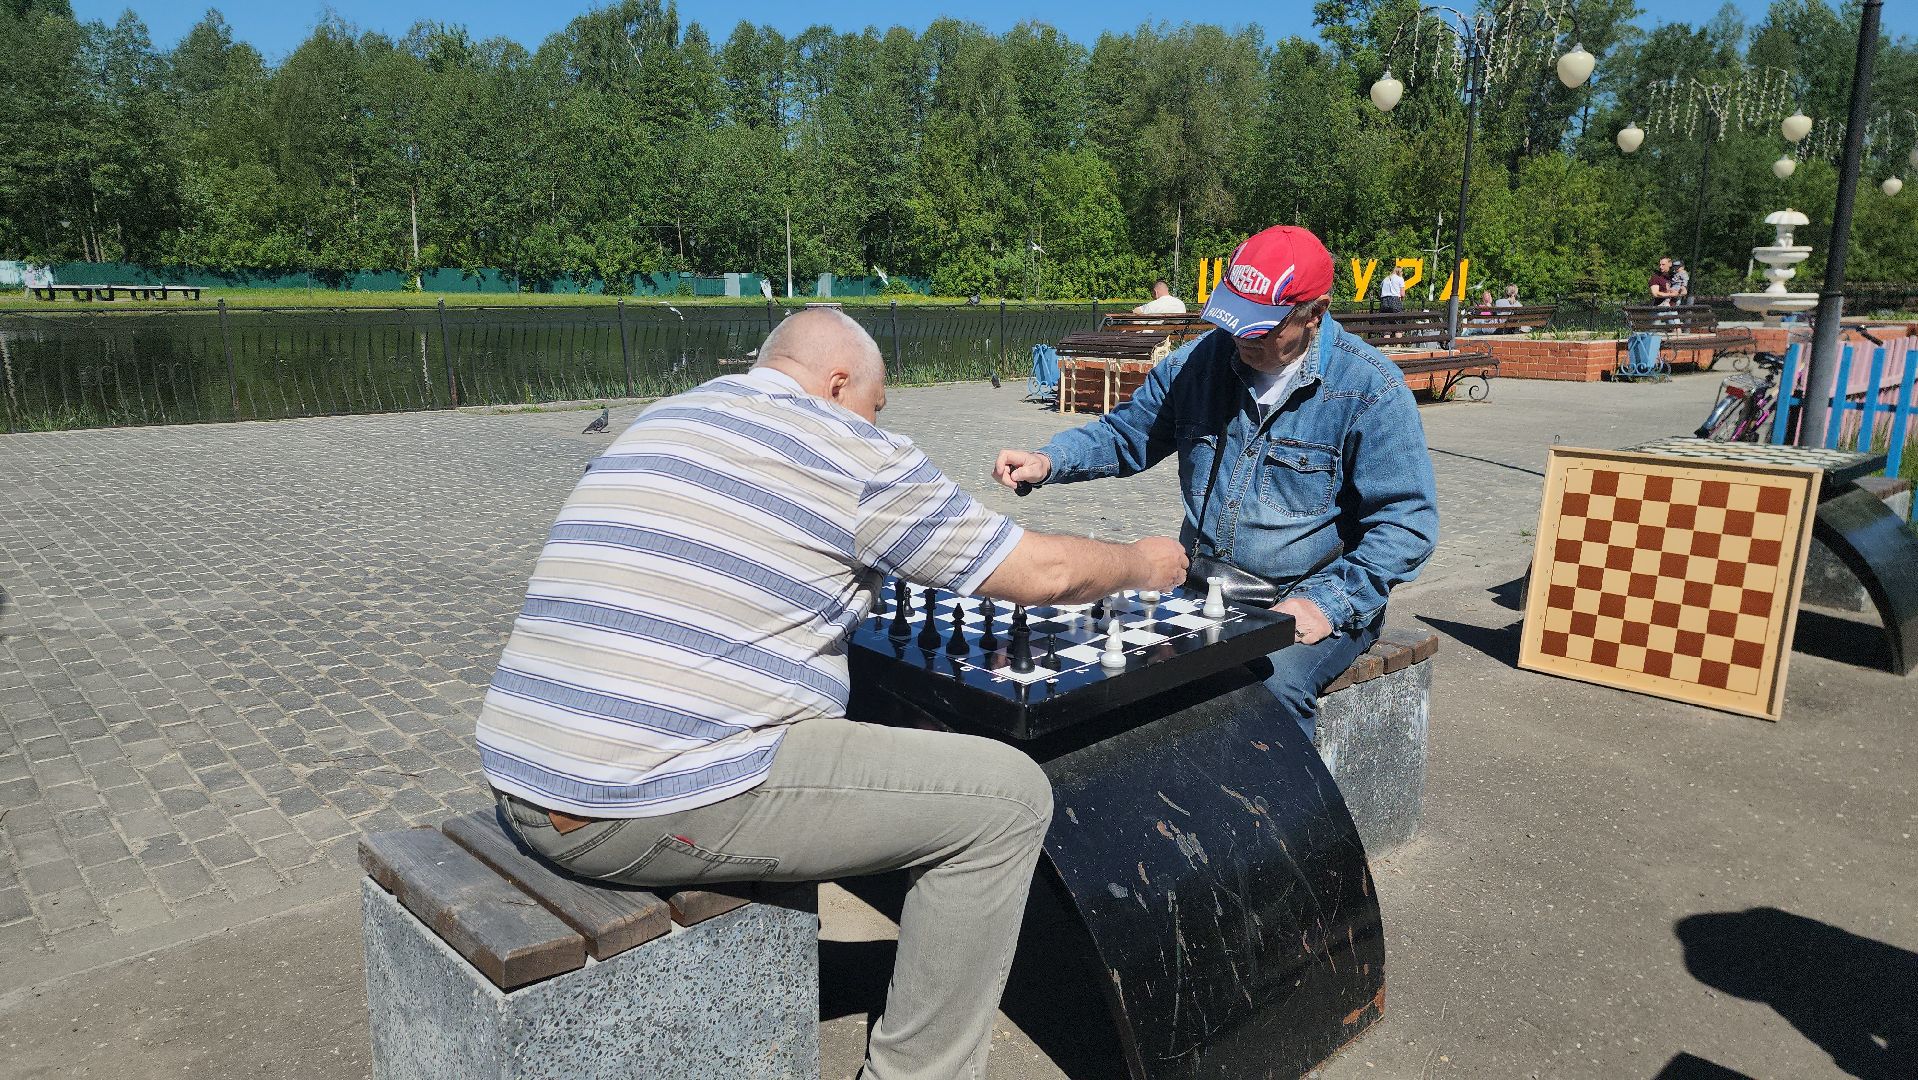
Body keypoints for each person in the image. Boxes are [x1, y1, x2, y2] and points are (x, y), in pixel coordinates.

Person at [476, 308, 1187, 1080]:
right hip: (624, 805)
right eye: (878, 405)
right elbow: (1043, 575)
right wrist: (1140, 564)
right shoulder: (843, 445)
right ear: (839, 382)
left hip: (522, 770)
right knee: (1009, 800)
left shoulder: (667, 416)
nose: (879, 423)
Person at [992, 225, 1438, 738]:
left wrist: (1327, 604)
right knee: (1118, 683)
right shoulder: (1196, 364)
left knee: (1267, 698)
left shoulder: (1370, 389)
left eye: (1261, 327)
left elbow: (1408, 525)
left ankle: (1284, 818)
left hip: (1305, 594)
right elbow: (1127, 435)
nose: (1241, 338)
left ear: (1314, 314)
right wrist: (1049, 460)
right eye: (1235, 320)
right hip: (1199, 581)